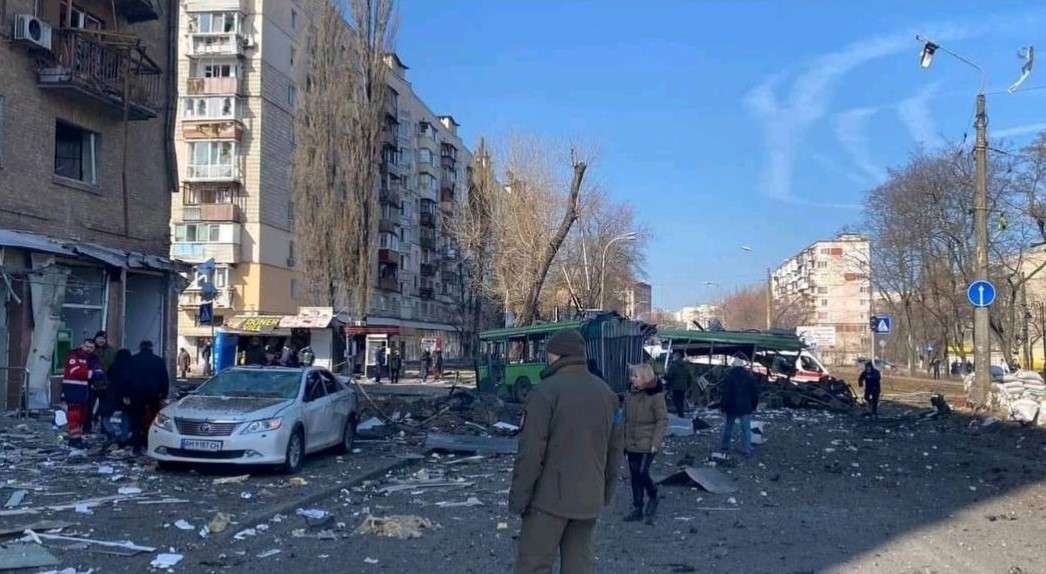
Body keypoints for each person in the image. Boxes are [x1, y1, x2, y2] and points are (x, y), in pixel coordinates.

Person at [510, 329, 623, 574]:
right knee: (579, 565)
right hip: (589, 498)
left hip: (548, 500)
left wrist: (519, 498)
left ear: (556, 355)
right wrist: (605, 493)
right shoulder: (608, 394)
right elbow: (615, 451)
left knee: (534, 565)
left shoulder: (545, 392)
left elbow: (531, 453)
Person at [622, 363, 668, 525]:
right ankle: (638, 508)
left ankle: (653, 495)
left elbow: (662, 420)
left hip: (648, 443)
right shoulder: (630, 394)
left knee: (642, 472)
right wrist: (622, 440)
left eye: (635, 376)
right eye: (632, 376)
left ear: (645, 377)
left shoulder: (655, 396)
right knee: (634, 474)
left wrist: (656, 442)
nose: (632, 379)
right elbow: (625, 419)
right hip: (631, 442)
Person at [128, 341, 170, 453]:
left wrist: (127, 394)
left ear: (140, 347)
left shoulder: (133, 359)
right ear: (151, 348)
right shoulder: (158, 360)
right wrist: (164, 394)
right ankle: (150, 443)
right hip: (153, 394)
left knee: (136, 419)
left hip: (136, 394)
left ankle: (136, 445)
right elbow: (164, 378)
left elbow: (128, 378)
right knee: (153, 419)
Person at [62, 338, 105, 449]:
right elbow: (75, 371)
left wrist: (91, 373)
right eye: (87, 346)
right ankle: (75, 440)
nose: (88, 349)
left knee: (82, 415)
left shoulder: (92, 358)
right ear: (82, 345)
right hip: (72, 389)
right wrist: (92, 374)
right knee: (74, 415)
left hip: (84, 389)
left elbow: (100, 372)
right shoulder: (74, 355)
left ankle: (77, 438)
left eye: (91, 347)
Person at [98, 349, 134, 450]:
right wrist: (128, 395)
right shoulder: (132, 367)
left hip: (112, 396)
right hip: (125, 397)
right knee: (125, 417)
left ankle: (113, 434)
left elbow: (108, 379)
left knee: (107, 417)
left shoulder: (113, 366)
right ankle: (123, 438)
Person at [719, 365, 760, 456]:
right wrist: (753, 406)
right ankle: (747, 449)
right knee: (746, 429)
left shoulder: (729, 377)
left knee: (728, 427)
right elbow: (755, 394)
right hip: (746, 407)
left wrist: (723, 406)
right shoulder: (749, 378)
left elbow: (725, 394)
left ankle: (725, 446)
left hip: (731, 406)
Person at [664, 350, 692, 417]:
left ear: (678, 356)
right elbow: (690, 377)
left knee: (675, 400)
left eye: (675, 355)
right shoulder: (686, 366)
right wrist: (688, 385)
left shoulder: (673, 365)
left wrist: (664, 377)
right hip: (683, 387)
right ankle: (681, 414)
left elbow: (669, 376)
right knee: (681, 400)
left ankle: (680, 414)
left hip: (675, 386)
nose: (674, 356)